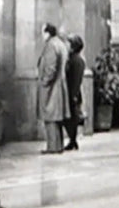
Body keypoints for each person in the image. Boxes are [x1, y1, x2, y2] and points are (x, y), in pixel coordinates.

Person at [36, 23, 69, 154]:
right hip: (59, 85)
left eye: (42, 32)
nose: (41, 35)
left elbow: (50, 68)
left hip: (51, 89)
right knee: (56, 119)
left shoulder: (50, 45)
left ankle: (52, 147)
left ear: (48, 33)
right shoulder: (60, 44)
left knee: (50, 118)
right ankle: (58, 145)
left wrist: (44, 82)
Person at [63, 34, 86, 151]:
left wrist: (73, 95)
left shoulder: (75, 60)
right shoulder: (76, 59)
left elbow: (75, 79)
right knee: (72, 118)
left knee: (70, 118)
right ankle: (73, 140)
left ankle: (72, 140)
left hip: (72, 93)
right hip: (74, 93)